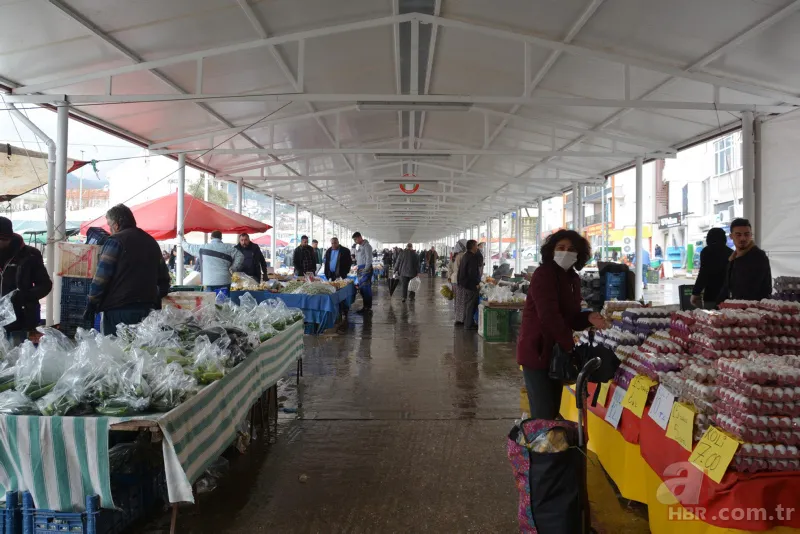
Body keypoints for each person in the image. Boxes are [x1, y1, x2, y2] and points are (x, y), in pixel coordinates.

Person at [517, 230, 608, 419]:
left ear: (578, 254)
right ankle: (539, 446)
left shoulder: (572, 278)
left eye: (571, 249)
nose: (566, 252)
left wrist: (589, 317)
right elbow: (549, 316)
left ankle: (548, 445)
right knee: (543, 413)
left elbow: (571, 316)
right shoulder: (544, 274)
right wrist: (569, 345)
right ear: (551, 251)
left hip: (555, 352)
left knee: (551, 409)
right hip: (538, 350)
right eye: (561, 248)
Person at [85, 205, 170, 335]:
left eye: (109, 225)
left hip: (118, 311)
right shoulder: (151, 242)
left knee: (117, 352)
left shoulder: (115, 241)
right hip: (146, 311)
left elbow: (101, 278)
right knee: (140, 352)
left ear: (117, 225)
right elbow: (164, 280)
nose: (110, 229)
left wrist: (92, 303)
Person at [0, 217, 52, 345]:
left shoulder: (30, 255)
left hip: (21, 320)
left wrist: (25, 295)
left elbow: (45, 285)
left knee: (17, 360)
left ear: (7, 238)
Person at [718, 218, 772, 302]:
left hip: (753, 310)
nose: (743, 238)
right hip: (735, 309)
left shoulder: (758, 256)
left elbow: (753, 289)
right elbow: (727, 287)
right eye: (738, 235)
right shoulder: (733, 258)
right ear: (731, 236)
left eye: (747, 234)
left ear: (751, 235)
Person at [182, 230, 243, 294]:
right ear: (221, 238)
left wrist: (183, 240)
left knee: (209, 302)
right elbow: (240, 256)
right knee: (224, 302)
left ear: (211, 238)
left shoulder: (203, 247)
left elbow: (188, 247)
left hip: (208, 282)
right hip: (224, 280)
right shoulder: (228, 248)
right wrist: (233, 268)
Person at [690, 228, 733, 309]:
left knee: (710, 319)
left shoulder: (706, 251)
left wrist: (696, 293)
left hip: (710, 296)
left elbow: (703, 274)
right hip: (727, 298)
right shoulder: (730, 252)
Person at [324, 237, 353, 333]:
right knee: (332, 292)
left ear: (338, 242)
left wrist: (345, 273)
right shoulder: (328, 251)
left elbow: (349, 262)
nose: (333, 245)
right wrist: (327, 274)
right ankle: (335, 312)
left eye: (335, 243)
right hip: (331, 275)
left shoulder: (345, 251)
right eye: (332, 243)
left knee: (341, 293)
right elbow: (326, 263)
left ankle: (344, 310)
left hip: (341, 276)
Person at [457, 240, 483, 330]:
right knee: (470, 305)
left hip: (465, 283)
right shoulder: (472, 258)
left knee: (468, 303)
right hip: (470, 285)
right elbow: (472, 273)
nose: (477, 247)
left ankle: (468, 323)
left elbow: (460, 270)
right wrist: (475, 284)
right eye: (476, 246)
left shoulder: (465, 256)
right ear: (472, 247)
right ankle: (468, 325)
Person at [352, 232, 373, 313]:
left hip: (365, 269)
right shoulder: (360, 246)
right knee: (362, 289)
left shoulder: (367, 246)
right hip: (361, 269)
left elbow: (369, 259)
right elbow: (359, 258)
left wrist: (366, 270)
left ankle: (368, 308)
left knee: (366, 289)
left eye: (355, 239)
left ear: (360, 237)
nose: (355, 241)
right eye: (354, 240)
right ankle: (365, 307)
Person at [450, 239, 468, 325]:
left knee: (457, 300)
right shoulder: (462, 256)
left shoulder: (456, 255)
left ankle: (458, 317)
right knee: (461, 300)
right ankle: (460, 319)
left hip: (454, 280)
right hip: (459, 280)